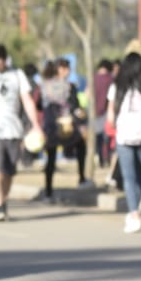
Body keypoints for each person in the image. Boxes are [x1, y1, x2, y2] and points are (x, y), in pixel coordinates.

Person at [0, 44, 41, 222]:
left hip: (14, 130)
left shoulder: (18, 75)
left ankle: (3, 201)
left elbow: (27, 101)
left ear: (5, 60)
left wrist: (35, 125)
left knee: (9, 171)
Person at [107, 52, 141, 233]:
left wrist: (119, 126)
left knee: (129, 177)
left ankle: (133, 213)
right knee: (139, 174)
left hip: (124, 137)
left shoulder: (117, 86)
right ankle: (134, 210)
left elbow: (110, 115)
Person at [38, 58, 86, 198]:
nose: (68, 71)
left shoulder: (43, 85)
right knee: (80, 145)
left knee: (51, 158)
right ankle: (82, 177)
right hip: (66, 125)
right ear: (58, 69)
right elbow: (74, 106)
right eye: (65, 68)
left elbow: (39, 105)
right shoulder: (69, 86)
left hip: (50, 125)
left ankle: (48, 191)